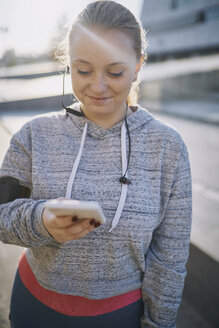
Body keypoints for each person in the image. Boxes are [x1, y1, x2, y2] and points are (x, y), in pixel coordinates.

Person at [0, 1, 192, 327]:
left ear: (138, 65)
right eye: (83, 70)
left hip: (120, 316)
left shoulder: (168, 148)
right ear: (68, 64)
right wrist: (40, 220)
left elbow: (170, 257)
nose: (98, 86)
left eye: (115, 72)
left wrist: (159, 323)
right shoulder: (34, 134)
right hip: (34, 306)